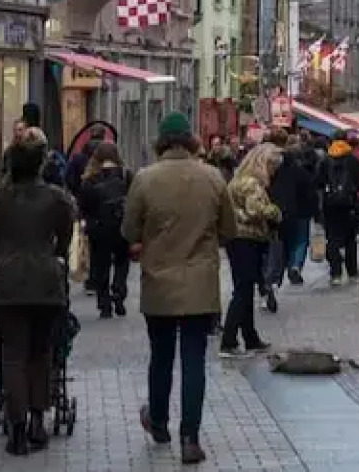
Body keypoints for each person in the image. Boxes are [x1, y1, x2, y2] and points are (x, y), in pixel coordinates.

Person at [126, 112, 235, 466]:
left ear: (161, 141)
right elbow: (230, 229)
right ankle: (190, 437)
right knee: (193, 361)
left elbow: (129, 230)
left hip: (159, 282)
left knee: (161, 357)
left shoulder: (144, 179)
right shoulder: (212, 177)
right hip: (200, 284)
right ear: (190, 140)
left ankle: (158, 421)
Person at [0, 139, 76, 456]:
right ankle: (38, 419)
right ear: (40, 165)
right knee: (41, 353)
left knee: (12, 355)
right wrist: (55, 255)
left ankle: (17, 428)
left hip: (8, 281)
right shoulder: (57, 199)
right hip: (46, 282)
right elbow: (64, 238)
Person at [221, 144, 280, 356]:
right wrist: (276, 212)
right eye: (273, 166)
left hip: (236, 239)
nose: (274, 171)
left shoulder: (238, 180)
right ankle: (228, 340)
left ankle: (250, 337)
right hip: (246, 239)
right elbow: (256, 210)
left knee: (244, 288)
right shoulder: (251, 184)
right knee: (243, 290)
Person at [75, 141, 134, 318]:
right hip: (121, 225)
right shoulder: (126, 175)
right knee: (122, 261)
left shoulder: (90, 179)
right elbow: (134, 200)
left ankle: (104, 303)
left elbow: (83, 205)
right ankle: (119, 291)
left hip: (99, 228)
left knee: (101, 265)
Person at [266, 132, 315, 291]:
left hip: (277, 209)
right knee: (300, 241)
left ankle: (275, 276)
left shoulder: (269, 166)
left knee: (281, 242)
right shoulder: (300, 168)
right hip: (299, 210)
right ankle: (294, 266)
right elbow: (310, 189)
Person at [318, 135, 359, 286]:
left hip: (330, 205)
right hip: (349, 204)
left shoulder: (325, 160)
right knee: (350, 238)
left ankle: (335, 273)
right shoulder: (353, 160)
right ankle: (352, 271)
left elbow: (318, 182)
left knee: (332, 238)